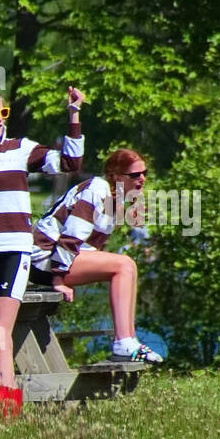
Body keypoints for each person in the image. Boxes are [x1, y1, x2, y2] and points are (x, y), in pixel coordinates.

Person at [0, 86, 85, 417]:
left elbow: (70, 161)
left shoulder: (20, 149)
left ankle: (6, 417)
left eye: (4, 114)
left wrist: (74, 115)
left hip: (13, 251)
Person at [31, 148, 165, 363]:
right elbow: (71, 237)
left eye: (144, 173)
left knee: (128, 268)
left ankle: (129, 339)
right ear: (115, 176)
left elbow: (90, 248)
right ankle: (123, 342)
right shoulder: (97, 189)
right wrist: (58, 279)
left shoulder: (116, 202)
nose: (141, 179)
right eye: (134, 175)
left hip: (59, 259)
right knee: (124, 265)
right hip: (44, 258)